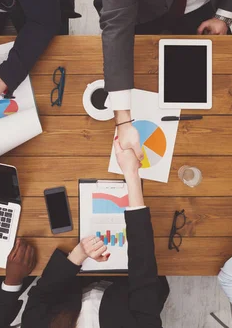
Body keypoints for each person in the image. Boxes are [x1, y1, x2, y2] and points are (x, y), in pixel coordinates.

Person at [96, 0, 232, 164]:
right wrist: (123, 119)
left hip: (200, 10)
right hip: (140, 11)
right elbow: (117, 29)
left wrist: (223, 16)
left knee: (218, 96)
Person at [22, 137, 169, 328]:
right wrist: (132, 174)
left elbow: (41, 295)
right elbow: (143, 272)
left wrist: (78, 254)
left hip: (78, 278)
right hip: (128, 285)